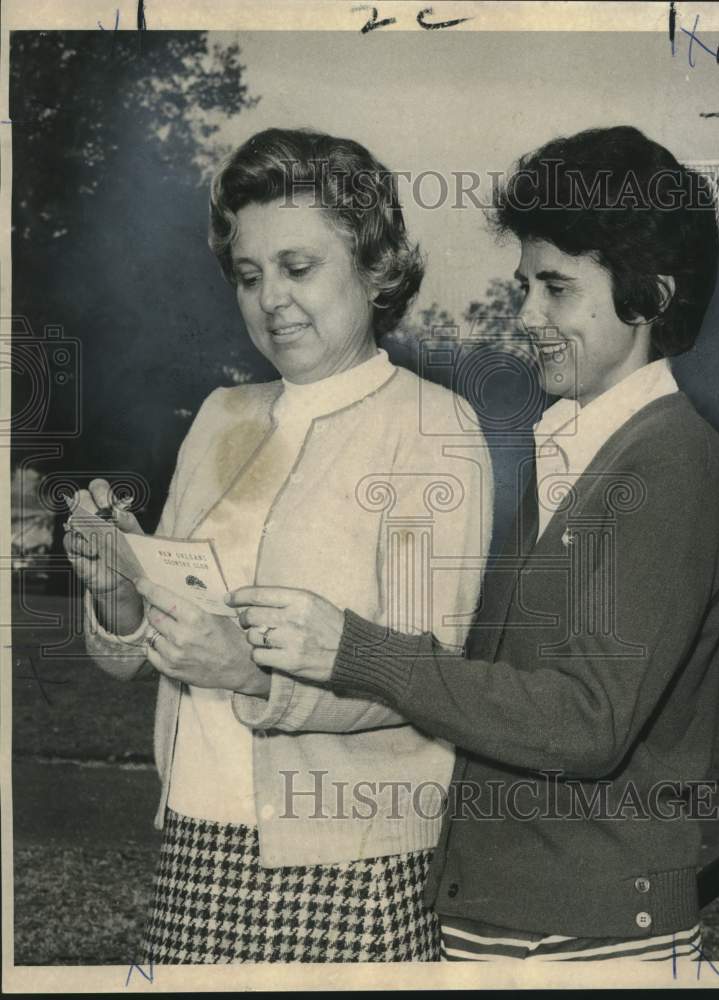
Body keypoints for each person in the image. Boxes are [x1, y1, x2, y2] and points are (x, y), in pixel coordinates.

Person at [232, 126, 719, 962]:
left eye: (556, 289)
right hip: (507, 924)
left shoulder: (671, 462)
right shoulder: (577, 448)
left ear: (648, 299)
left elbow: (585, 723)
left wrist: (356, 649)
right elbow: (497, 686)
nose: (526, 316)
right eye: (523, 286)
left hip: (585, 937)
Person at [64, 128, 492, 963]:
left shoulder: (432, 430)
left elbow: (426, 675)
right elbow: (149, 654)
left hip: (346, 860)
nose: (270, 301)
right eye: (250, 277)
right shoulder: (221, 417)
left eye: (298, 269)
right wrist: (119, 588)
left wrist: (253, 673)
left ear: (375, 270)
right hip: (194, 836)